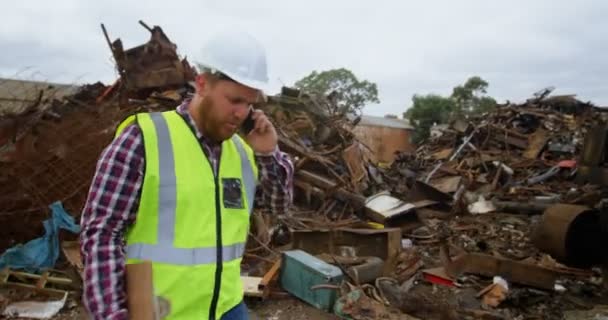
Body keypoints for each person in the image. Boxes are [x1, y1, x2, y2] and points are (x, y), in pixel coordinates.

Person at [79, 31, 294, 320]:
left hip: (227, 307)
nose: (242, 113)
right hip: (162, 312)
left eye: (250, 103)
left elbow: (279, 207)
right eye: (234, 100)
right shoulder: (143, 139)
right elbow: (101, 233)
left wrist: (269, 155)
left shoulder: (243, 152)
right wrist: (111, 314)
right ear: (202, 84)